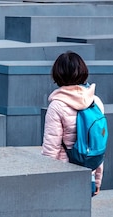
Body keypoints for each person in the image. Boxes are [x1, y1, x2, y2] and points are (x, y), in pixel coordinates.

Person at [42, 51, 104, 196]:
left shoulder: (57, 106)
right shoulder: (95, 102)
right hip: (89, 173)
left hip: (63, 176)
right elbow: (98, 146)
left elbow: (51, 149)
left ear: (57, 75)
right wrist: (97, 180)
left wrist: (44, 182)